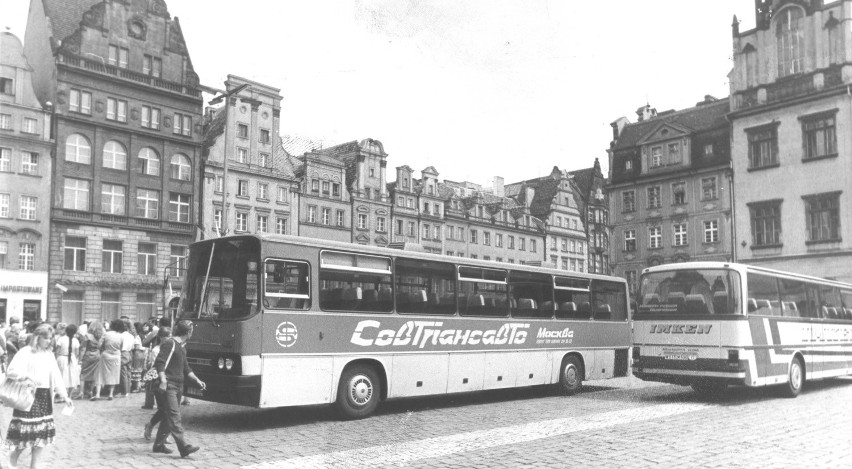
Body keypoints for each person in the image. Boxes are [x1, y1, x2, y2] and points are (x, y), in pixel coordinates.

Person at [5, 323, 74, 469]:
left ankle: (34, 466)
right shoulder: (26, 352)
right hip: (28, 396)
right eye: (46, 338)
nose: (49, 341)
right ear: (38, 337)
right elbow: (11, 371)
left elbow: (56, 377)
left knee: (41, 436)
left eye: (51, 338)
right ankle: (11, 462)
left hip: (44, 397)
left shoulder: (49, 355)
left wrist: (65, 395)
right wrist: (27, 376)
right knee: (26, 434)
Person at [151, 320, 204, 457]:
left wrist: (198, 380)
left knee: (169, 416)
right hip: (169, 385)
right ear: (188, 332)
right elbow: (160, 363)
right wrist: (163, 380)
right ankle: (183, 447)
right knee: (174, 416)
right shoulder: (170, 343)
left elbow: (186, 368)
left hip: (178, 386)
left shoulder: (181, 346)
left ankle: (158, 445)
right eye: (192, 330)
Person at [92, 319, 123, 401]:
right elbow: (122, 347)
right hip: (116, 356)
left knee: (100, 374)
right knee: (114, 374)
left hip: (106, 355)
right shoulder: (121, 336)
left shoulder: (106, 334)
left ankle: (97, 394)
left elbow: (99, 345)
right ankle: (111, 394)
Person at [55, 324, 80, 400]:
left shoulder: (61, 339)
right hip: (72, 359)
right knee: (72, 377)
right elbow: (77, 352)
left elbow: (57, 351)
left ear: (66, 330)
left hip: (62, 358)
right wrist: (75, 359)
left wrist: (56, 359)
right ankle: (69, 395)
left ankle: (63, 396)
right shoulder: (76, 340)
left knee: (62, 377)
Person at [79, 321, 103, 399]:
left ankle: (81, 392)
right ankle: (91, 391)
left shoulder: (87, 336)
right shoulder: (100, 337)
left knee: (83, 374)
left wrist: (80, 359)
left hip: (88, 355)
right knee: (94, 374)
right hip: (97, 355)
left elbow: (83, 348)